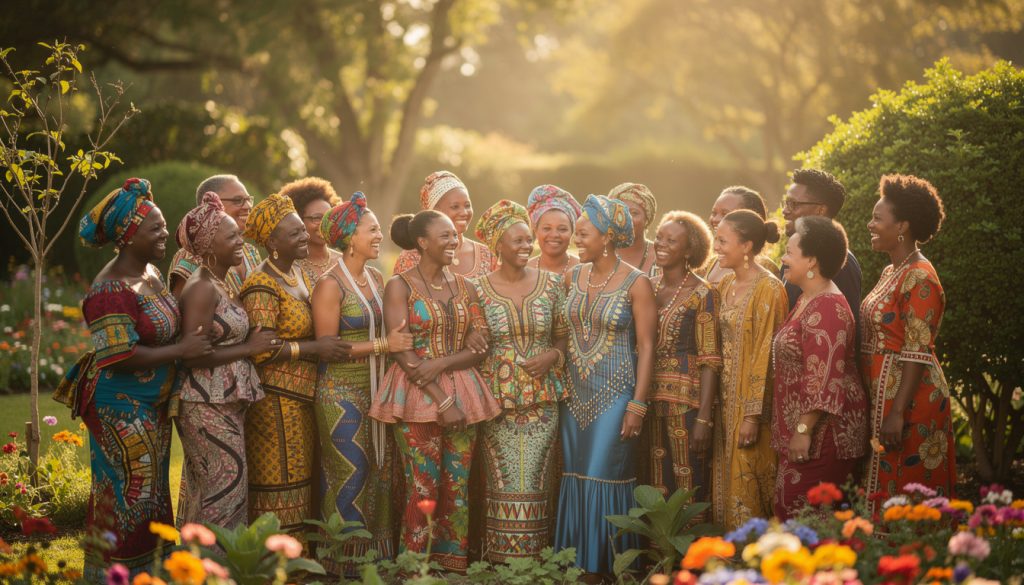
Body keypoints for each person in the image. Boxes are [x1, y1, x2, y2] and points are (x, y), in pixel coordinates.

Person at [67, 178, 212, 580]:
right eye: (155, 228)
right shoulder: (110, 289)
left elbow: (162, 327)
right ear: (128, 236)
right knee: (126, 495)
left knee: (151, 493)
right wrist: (182, 351)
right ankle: (114, 574)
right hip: (119, 406)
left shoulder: (149, 273)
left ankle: (152, 571)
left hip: (150, 404)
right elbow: (119, 354)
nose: (165, 233)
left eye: (163, 225)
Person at [370, 210, 501, 573]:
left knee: (457, 484)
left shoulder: (466, 287)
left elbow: (482, 345)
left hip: (465, 395)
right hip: (416, 394)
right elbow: (402, 350)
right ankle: (415, 567)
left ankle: (452, 564)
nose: (453, 241)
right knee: (422, 486)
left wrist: (442, 363)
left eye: (454, 235)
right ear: (423, 242)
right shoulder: (399, 286)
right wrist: (443, 399)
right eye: (444, 236)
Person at [554, 195, 656, 575]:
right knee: (576, 472)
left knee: (603, 472)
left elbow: (647, 347)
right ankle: (574, 566)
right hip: (573, 395)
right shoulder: (572, 277)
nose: (576, 240)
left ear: (607, 237)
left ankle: (606, 568)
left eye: (583, 234)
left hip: (616, 394)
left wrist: (637, 405)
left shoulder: (637, 283)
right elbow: (563, 334)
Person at [311, 192, 413, 566]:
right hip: (340, 393)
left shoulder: (375, 277)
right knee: (351, 472)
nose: (379, 236)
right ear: (350, 237)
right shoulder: (329, 285)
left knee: (381, 472)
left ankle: (376, 558)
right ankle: (342, 561)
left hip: (377, 390)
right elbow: (328, 348)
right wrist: (386, 345)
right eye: (372, 230)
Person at [239, 193, 348, 533]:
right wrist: (315, 347)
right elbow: (262, 349)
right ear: (273, 242)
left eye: (303, 229)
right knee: (281, 484)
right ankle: (277, 558)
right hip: (275, 404)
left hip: (303, 399)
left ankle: (303, 555)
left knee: (304, 483)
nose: (305, 236)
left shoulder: (298, 273)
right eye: (295, 232)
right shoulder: (261, 282)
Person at [174, 194, 279, 529]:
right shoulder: (201, 288)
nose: (240, 240)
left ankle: (207, 559)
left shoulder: (220, 282)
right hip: (205, 402)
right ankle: (212, 560)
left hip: (224, 399)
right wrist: (249, 348)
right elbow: (192, 354)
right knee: (223, 492)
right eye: (231, 236)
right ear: (209, 244)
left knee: (224, 490)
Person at [474, 200, 568, 562]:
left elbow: (563, 336)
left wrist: (552, 356)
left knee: (537, 477)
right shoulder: (477, 289)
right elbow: (473, 339)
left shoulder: (553, 284)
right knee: (501, 477)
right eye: (518, 241)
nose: (527, 246)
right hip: (497, 400)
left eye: (529, 239)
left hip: (543, 398)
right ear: (498, 245)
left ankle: (534, 559)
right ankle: (501, 559)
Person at [861, 174, 953, 506]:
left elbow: (917, 349)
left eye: (877, 218)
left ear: (902, 226)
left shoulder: (920, 276)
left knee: (907, 489)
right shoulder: (892, 271)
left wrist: (897, 411)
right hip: (885, 391)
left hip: (911, 399)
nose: (870, 224)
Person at [771, 216, 868, 520]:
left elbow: (823, 377)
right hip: (807, 432)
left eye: (790, 252)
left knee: (802, 517)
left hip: (823, 435)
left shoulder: (827, 307)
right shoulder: (807, 297)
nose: (783, 259)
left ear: (811, 260)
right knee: (792, 514)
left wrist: (803, 431)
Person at [710, 209, 787, 530]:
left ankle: (752, 553)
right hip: (723, 402)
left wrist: (753, 416)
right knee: (722, 482)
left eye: (722, 241)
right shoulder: (725, 284)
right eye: (715, 240)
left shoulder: (769, 289)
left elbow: (767, 355)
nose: (715, 247)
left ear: (746, 246)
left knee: (749, 483)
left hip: (751, 408)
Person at [643, 211, 720, 511]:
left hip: (686, 403)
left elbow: (710, 358)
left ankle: (693, 543)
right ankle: (659, 542)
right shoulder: (647, 286)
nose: (661, 244)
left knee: (688, 481)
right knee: (655, 482)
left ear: (689, 250)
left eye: (671, 240)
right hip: (648, 402)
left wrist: (704, 417)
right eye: (659, 237)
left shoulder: (703, 293)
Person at [780, 169, 862, 319]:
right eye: (786, 203)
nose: (785, 211)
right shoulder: (794, 256)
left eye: (793, 204)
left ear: (820, 210)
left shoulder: (840, 263)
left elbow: (844, 325)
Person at [168, 174, 261, 298]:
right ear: (209, 207)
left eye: (249, 199)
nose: (248, 206)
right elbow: (181, 308)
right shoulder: (193, 255)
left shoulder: (250, 252)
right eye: (238, 200)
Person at [392, 171, 498, 278]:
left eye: (467, 205)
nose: (464, 212)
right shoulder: (412, 257)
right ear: (434, 211)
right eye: (455, 207)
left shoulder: (488, 255)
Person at [702, 186, 781, 284]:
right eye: (714, 213)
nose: (715, 219)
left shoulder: (765, 268)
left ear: (750, 219)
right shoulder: (711, 262)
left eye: (725, 214)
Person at [279, 177, 343, 284]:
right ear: (298, 220)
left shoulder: (344, 262)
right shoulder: (289, 268)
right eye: (317, 218)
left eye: (330, 217)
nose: (325, 224)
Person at [526, 184, 582, 276]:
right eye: (547, 228)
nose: (554, 235)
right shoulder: (523, 271)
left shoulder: (584, 271)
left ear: (572, 232)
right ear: (535, 230)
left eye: (562, 229)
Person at [607, 182, 658, 274]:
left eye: (634, 213)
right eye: (621, 212)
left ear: (647, 219)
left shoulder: (662, 256)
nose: (626, 218)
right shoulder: (599, 253)